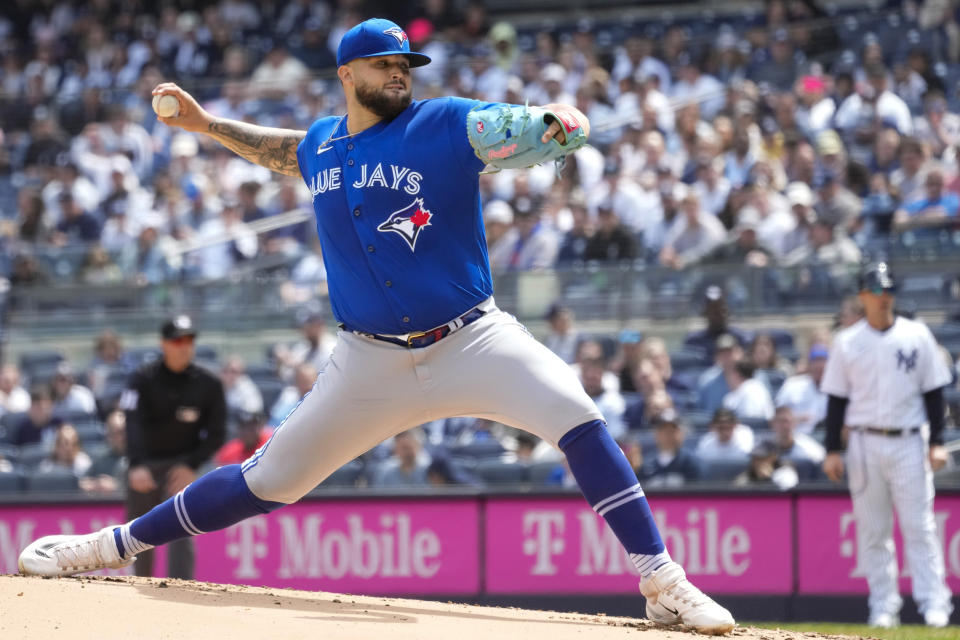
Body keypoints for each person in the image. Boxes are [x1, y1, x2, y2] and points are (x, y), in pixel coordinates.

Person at [18, 19, 733, 634]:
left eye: (405, 65)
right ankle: (111, 546)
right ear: (347, 73)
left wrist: (553, 124)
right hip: (368, 361)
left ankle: (661, 581)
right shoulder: (324, 145)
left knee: (577, 414)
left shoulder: (445, 122)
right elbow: (282, 146)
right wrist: (206, 126)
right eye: (386, 64)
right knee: (272, 479)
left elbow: (510, 128)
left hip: (472, 337)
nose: (399, 74)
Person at [820, 262, 953, 629]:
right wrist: (832, 449)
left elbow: (934, 391)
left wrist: (937, 442)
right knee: (873, 529)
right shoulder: (848, 341)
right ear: (863, 296)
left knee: (919, 527)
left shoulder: (916, 334)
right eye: (876, 291)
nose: (884, 298)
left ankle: (933, 605)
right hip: (863, 441)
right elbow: (836, 400)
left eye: (888, 291)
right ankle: (883, 606)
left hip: (910, 440)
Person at [117, 314, 227, 580]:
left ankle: (181, 589)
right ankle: (137, 588)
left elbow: (217, 433)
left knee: (182, 529)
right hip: (146, 465)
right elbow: (131, 423)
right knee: (138, 533)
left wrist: (191, 465)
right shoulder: (142, 379)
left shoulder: (209, 383)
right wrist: (136, 464)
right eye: (177, 340)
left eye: (189, 339)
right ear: (163, 343)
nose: (185, 345)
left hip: (182, 465)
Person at [637, 409, 700, 487]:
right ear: (656, 434)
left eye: (673, 431)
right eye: (664, 430)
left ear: (682, 434)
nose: (668, 435)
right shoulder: (646, 465)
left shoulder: (691, 463)